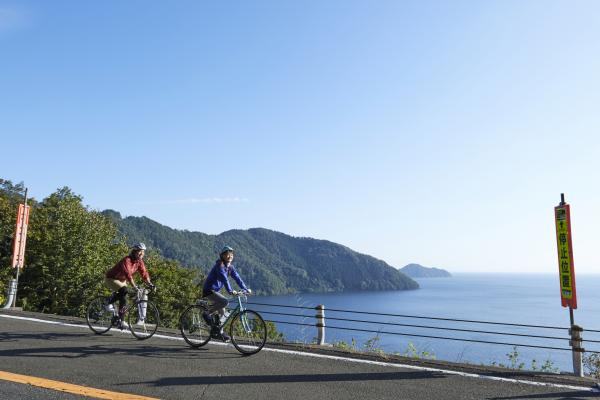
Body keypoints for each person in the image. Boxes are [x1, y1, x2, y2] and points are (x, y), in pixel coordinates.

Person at [202, 246, 251, 341]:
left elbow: (237, 278)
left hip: (215, 291)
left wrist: (245, 289)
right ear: (223, 256)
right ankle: (206, 313)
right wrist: (230, 291)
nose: (230, 256)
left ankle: (219, 332)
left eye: (231, 254)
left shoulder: (230, 267)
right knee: (225, 302)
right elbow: (224, 279)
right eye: (227, 254)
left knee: (223, 313)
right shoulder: (219, 265)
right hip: (209, 290)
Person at [105, 243, 154, 328]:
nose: (142, 254)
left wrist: (150, 284)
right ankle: (110, 305)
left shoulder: (139, 262)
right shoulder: (127, 260)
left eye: (143, 252)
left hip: (122, 280)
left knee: (124, 295)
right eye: (140, 251)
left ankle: (117, 316)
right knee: (124, 291)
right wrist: (134, 287)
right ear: (135, 252)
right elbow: (128, 275)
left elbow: (144, 274)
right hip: (111, 278)